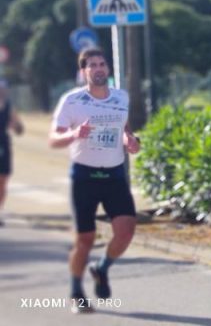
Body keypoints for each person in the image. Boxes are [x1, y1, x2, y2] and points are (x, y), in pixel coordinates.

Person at [48, 48, 141, 313]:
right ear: (83, 72)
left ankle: (101, 268)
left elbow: (124, 129)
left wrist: (130, 141)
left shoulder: (121, 97)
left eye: (102, 64)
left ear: (108, 69)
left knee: (126, 231)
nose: (99, 68)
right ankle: (76, 291)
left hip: (114, 175)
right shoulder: (72, 101)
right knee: (85, 240)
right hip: (84, 177)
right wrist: (75, 134)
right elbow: (53, 139)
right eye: (92, 65)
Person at [0, 79, 25, 226]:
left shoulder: (9, 107)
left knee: (3, 180)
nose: (2, 91)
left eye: (3, 89)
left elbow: (19, 129)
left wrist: (16, 125)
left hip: (3, 145)